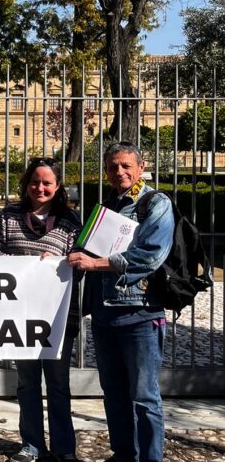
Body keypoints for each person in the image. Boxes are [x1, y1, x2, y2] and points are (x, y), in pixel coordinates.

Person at [67, 141, 173, 462]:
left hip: (140, 313)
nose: (119, 172)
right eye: (113, 167)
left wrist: (95, 264)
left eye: (126, 165)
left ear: (141, 167)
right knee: (113, 394)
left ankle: (150, 458)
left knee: (144, 397)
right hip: (104, 316)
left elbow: (150, 256)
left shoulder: (156, 203)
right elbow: (84, 248)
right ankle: (124, 454)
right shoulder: (107, 207)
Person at [0, 158, 83, 462]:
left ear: (57, 186)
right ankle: (31, 443)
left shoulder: (70, 220)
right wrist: (26, 266)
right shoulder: (9, 215)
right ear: (26, 184)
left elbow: (80, 263)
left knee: (58, 384)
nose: (39, 188)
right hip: (21, 316)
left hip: (59, 317)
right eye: (34, 182)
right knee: (27, 383)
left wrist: (57, 264)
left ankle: (64, 447)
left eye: (46, 183)